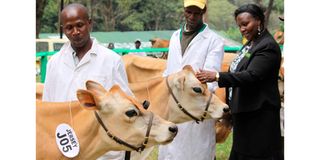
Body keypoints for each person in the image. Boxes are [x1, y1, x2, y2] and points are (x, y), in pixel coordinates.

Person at [42, 3, 132, 160]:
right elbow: (48, 106)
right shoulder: (54, 63)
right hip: (63, 147)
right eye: (69, 28)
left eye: (80, 25)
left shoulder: (111, 60)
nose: (76, 32)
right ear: (63, 30)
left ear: (89, 23)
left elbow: (124, 105)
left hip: (101, 151)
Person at [195, 4, 283, 160]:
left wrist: (216, 76)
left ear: (259, 21)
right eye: (239, 25)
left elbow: (251, 76)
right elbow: (236, 70)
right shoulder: (250, 45)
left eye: (246, 24)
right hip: (244, 114)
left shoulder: (267, 46)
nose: (242, 29)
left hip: (259, 117)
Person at [158, 0, 224, 159]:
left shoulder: (214, 40)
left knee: (196, 151)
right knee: (171, 150)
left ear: (204, 12)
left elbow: (211, 78)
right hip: (172, 106)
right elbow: (169, 70)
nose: (192, 16)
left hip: (197, 107)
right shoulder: (175, 36)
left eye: (197, 12)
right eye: (189, 11)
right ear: (184, 10)